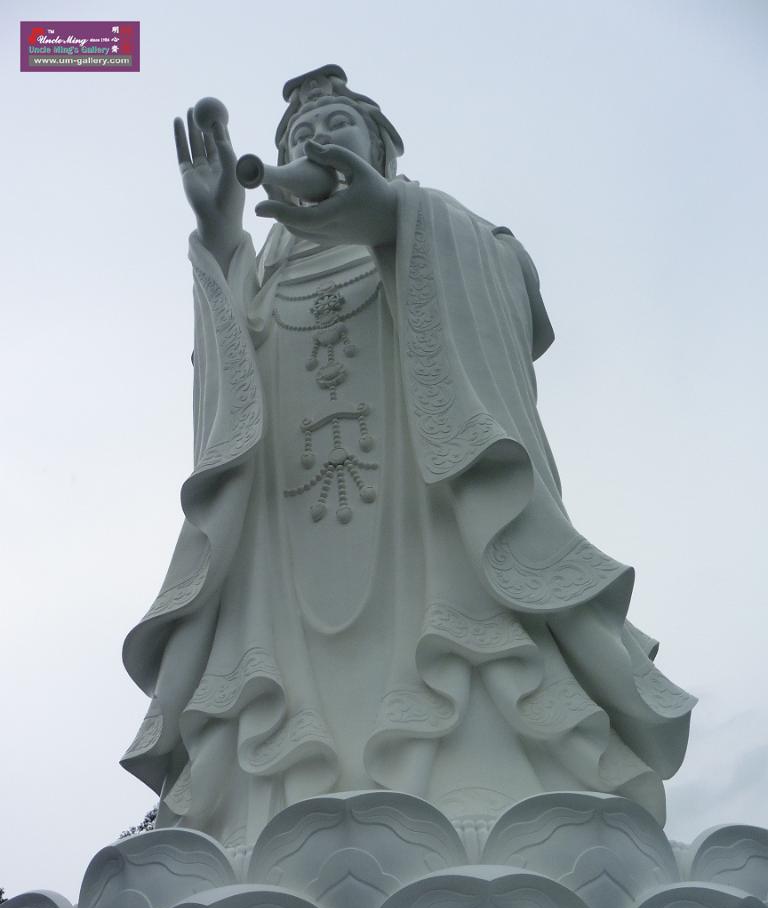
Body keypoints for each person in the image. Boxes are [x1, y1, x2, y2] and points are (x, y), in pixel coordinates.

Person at [122, 66, 695, 853]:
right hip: (289, 547)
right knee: (278, 701)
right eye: (297, 135)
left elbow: (515, 290)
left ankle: (490, 801)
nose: (313, 140)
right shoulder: (265, 280)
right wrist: (223, 238)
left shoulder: (440, 231)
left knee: (463, 651)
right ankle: (275, 818)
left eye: (335, 127)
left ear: (383, 151)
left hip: (429, 524)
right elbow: (226, 411)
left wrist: (396, 222)